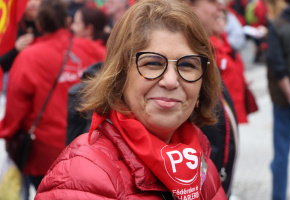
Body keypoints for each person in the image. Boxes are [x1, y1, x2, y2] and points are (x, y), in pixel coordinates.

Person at [35, 0, 227, 199]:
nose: (170, 81)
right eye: (152, 63)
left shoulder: (201, 163)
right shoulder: (84, 175)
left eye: (188, 65)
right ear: (120, 76)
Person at [0, 0, 105, 194]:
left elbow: (15, 109)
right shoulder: (93, 50)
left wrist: (6, 133)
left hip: (44, 155)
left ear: (39, 25)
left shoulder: (28, 57)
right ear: (67, 22)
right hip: (87, 150)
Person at [183, 0, 239, 197]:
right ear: (186, 5)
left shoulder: (202, 57)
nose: (220, 7)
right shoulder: (178, 70)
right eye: (212, 1)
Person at [266, 0, 290, 199]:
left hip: (285, 100)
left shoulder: (278, 24)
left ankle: (278, 196)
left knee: (281, 155)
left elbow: (277, 67)